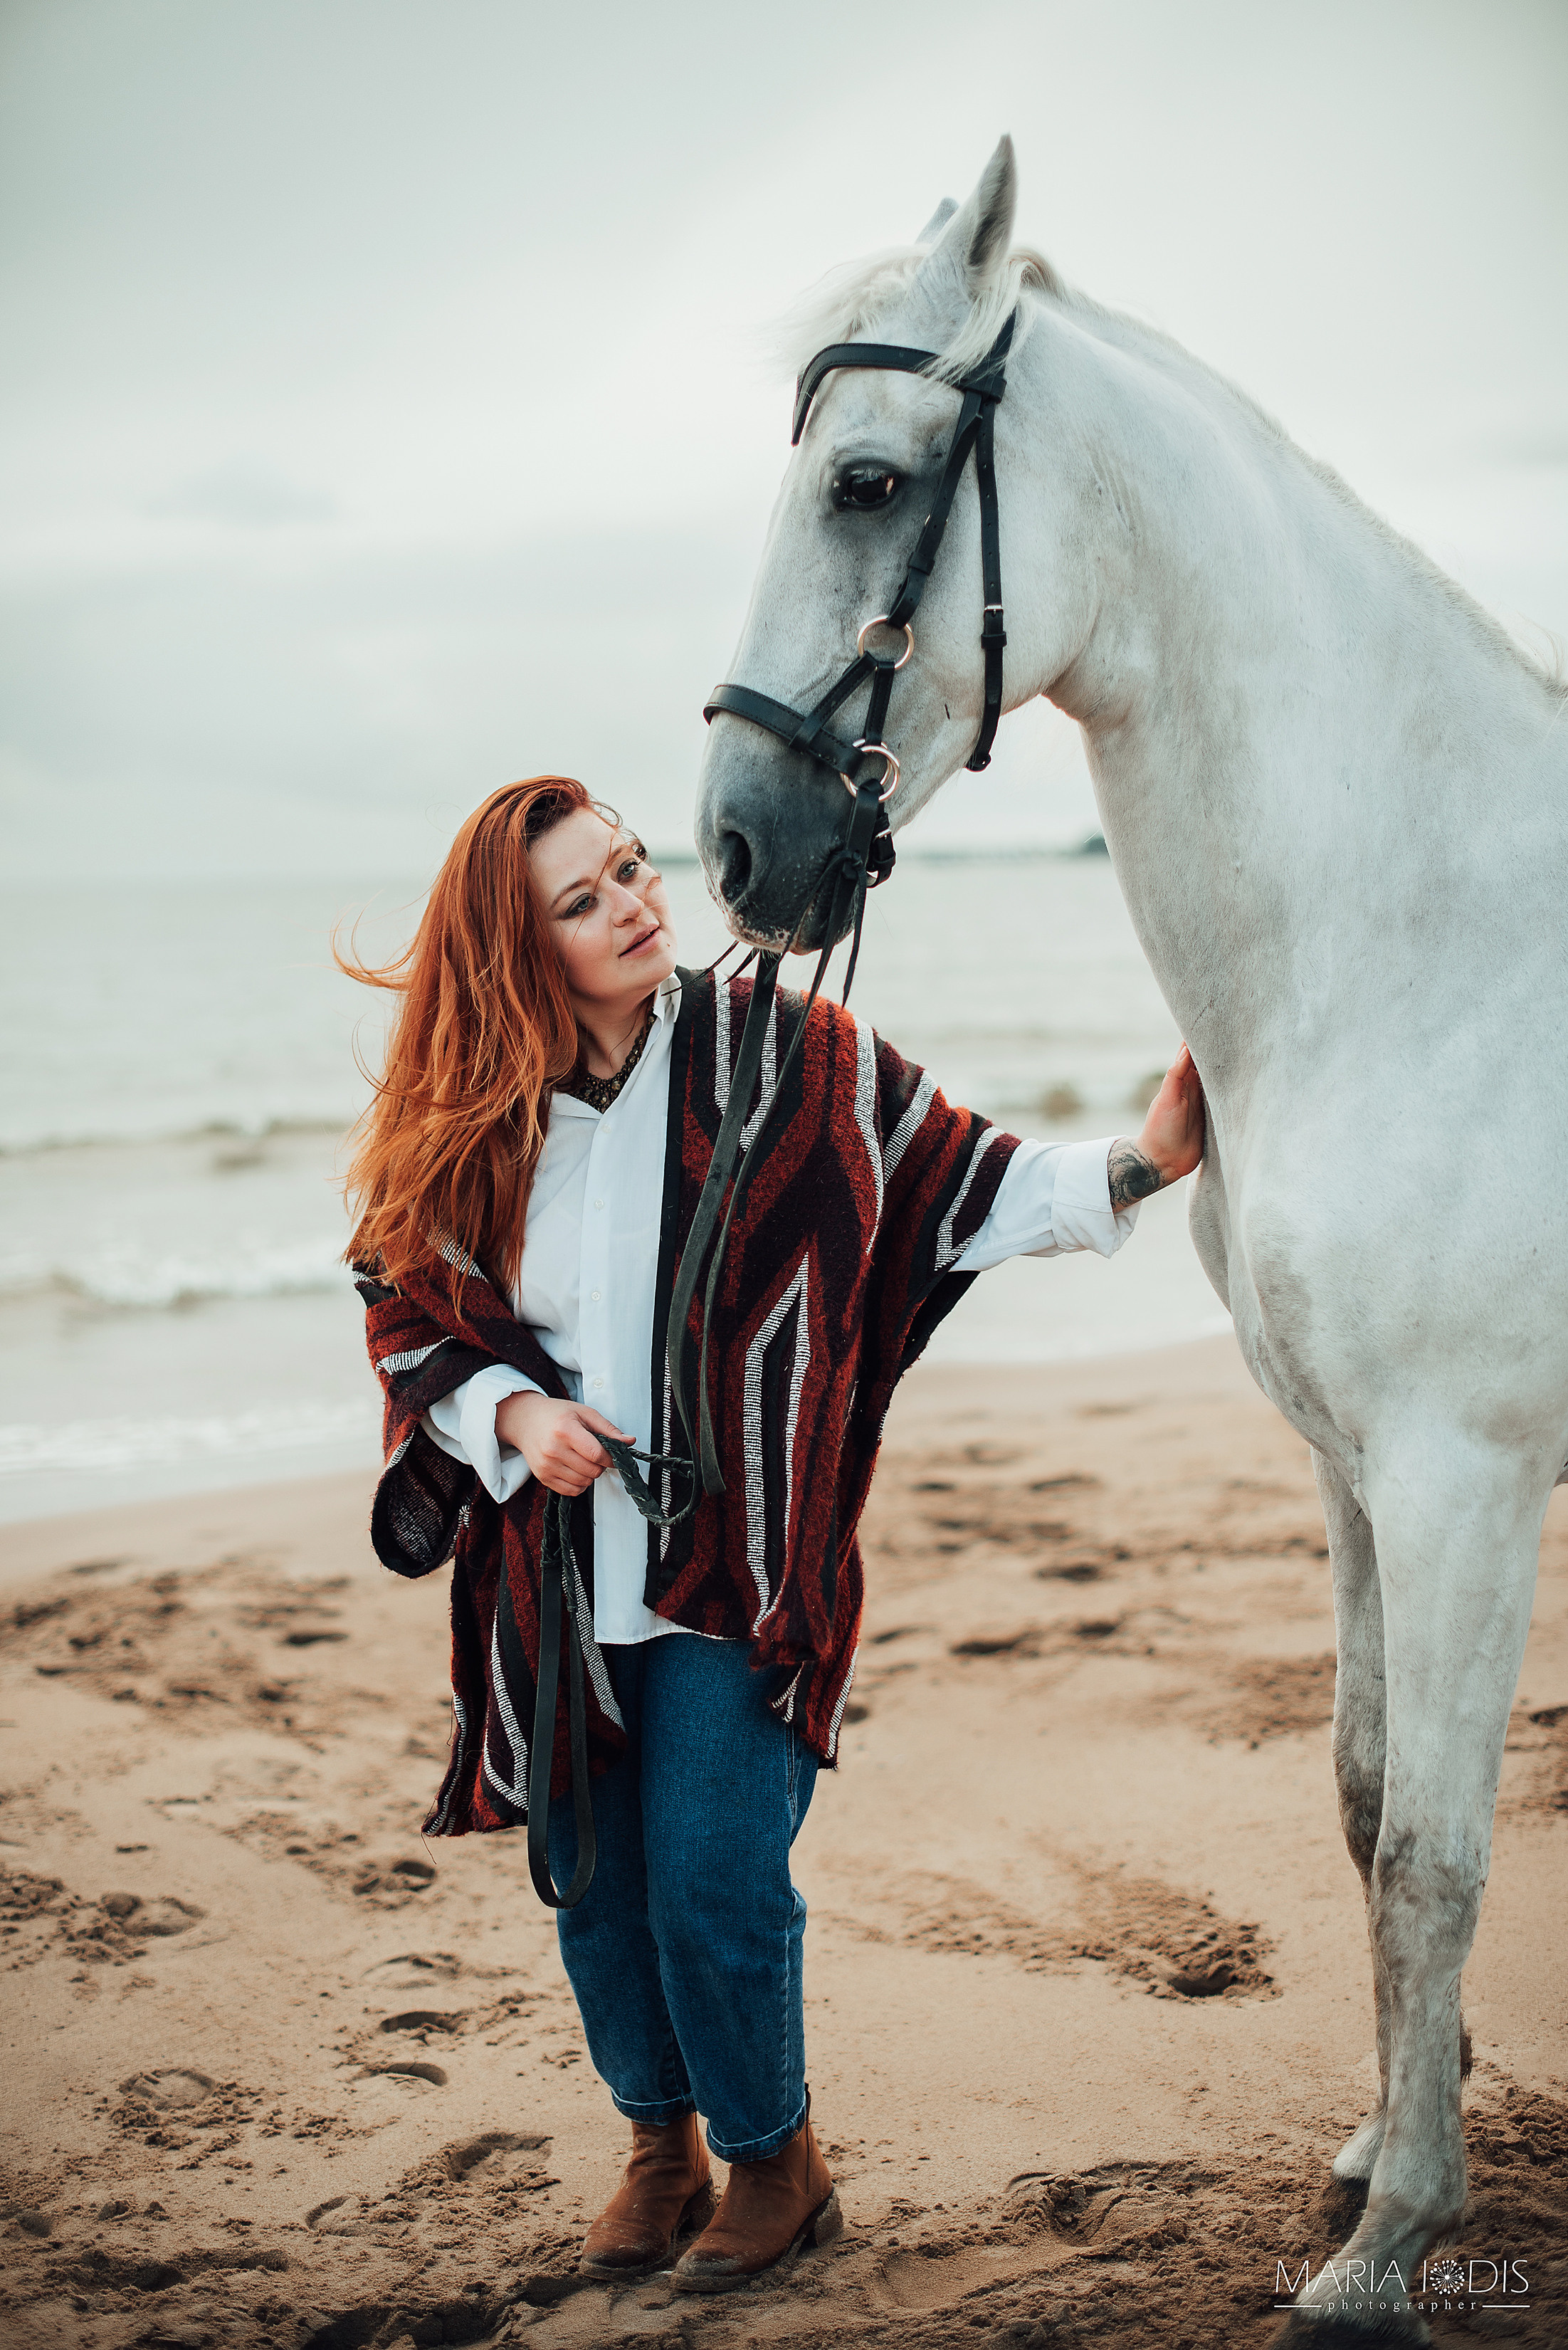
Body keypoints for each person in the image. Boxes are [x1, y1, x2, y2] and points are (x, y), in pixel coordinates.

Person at [343, 775, 1204, 2298]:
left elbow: (962, 1187)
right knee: (592, 1881)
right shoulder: (470, 1121)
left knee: (716, 1874)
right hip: (550, 1574)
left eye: (629, 868)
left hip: (742, 1554)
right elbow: (402, 1299)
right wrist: (507, 1419)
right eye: (585, 896)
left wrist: (1140, 1164)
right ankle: (657, 2145)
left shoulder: (786, 1057)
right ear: (516, 945)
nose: (634, 903)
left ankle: (770, 2155)